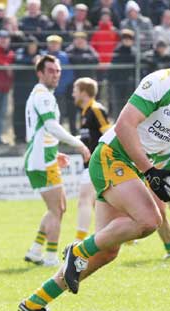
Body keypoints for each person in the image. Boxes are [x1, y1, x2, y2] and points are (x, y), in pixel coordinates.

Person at [18, 38, 170, 311]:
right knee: (150, 220)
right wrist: (150, 171)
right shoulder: (161, 82)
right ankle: (76, 250)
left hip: (133, 168)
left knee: (106, 252)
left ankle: (34, 303)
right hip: (111, 157)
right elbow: (125, 124)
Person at [23, 55, 90, 267]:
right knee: (57, 209)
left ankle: (35, 250)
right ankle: (51, 257)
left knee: (58, 207)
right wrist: (77, 143)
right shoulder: (43, 96)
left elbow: (42, 131)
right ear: (40, 73)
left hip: (44, 157)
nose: (55, 74)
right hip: (41, 160)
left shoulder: (41, 95)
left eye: (58, 70)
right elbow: (51, 126)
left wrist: (55, 150)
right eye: (51, 70)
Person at [72, 77, 111, 241]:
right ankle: (125, 235)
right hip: (91, 164)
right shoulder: (85, 112)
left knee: (84, 199)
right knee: (98, 202)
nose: (73, 94)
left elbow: (108, 133)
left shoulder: (95, 109)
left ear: (84, 92)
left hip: (98, 163)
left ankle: (79, 241)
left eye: (75, 90)